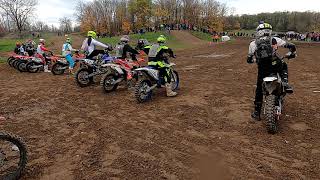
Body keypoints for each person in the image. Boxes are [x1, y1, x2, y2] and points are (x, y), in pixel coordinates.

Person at [247, 23, 297, 120]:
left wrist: (256, 60)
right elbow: (292, 45)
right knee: (284, 65)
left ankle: (257, 112)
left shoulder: (253, 44)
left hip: (262, 69)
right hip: (275, 64)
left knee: (259, 89)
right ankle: (285, 83)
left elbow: (249, 60)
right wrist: (292, 53)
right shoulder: (275, 39)